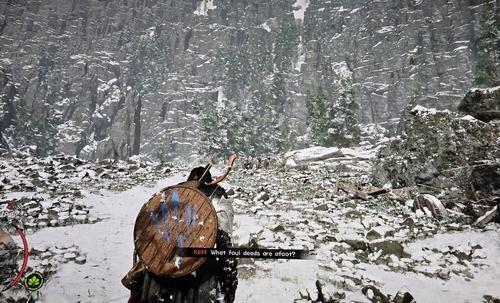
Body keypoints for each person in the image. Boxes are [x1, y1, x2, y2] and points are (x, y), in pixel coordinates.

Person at [126, 165, 238, 303]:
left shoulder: (173, 198)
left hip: (160, 279)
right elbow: (225, 245)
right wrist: (229, 289)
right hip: (200, 281)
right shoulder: (218, 200)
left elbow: (145, 243)